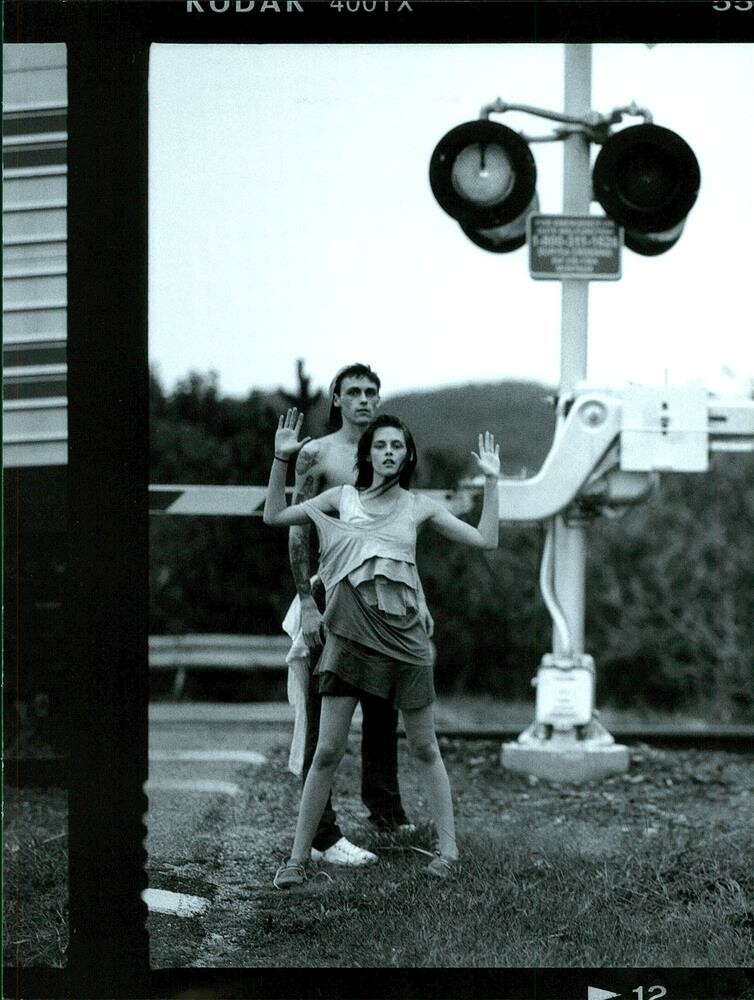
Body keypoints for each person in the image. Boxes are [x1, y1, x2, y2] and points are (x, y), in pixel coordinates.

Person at [264, 408, 501, 887]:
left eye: (397, 446)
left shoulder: (418, 506)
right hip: (348, 639)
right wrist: (280, 460)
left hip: (405, 643)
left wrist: (493, 481)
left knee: (425, 747)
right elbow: (274, 516)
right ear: (367, 454)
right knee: (327, 752)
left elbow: (486, 539)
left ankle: (449, 852)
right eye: (381, 445)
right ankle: (297, 859)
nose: (389, 453)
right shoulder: (341, 497)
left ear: (408, 456)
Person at [284, 364, 425, 867]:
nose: (364, 399)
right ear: (337, 398)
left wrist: (417, 601)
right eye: (355, 392)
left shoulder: (388, 451)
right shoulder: (318, 454)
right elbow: (298, 528)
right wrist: (306, 601)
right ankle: (321, 835)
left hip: (385, 601)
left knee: (385, 704)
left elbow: (401, 537)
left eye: (371, 392)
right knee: (325, 716)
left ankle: (385, 809)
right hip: (332, 595)